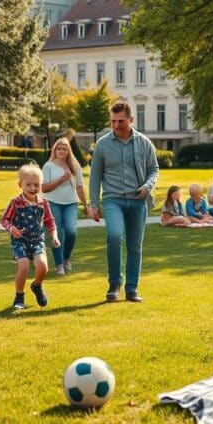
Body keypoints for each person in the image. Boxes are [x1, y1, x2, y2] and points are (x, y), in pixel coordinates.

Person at [88, 99, 159, 303]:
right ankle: (114, 284)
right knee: (115, 235)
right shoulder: (103, 144)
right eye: (113, 121)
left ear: (131, 119)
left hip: (138, 200)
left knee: (135, 246)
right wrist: (94, 204)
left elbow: (154, 169)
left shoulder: (144, 143)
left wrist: (147, 186)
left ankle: (132, 289)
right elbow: (95, 176)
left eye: (121, 121)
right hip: (113, 200)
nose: (116, 125)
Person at [0, 164, 58, 311]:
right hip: (20, 240)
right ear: (20, 185)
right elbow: (4, 219)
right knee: (24, 265)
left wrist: (54, 236)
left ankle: (36, 286)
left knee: (43, 267)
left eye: (36, 185)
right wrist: (12, 229)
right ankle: (19, 296)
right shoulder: (15, 203)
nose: (33, 188)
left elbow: (50, 221)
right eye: (29, 185)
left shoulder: (43, 203)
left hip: (37, 240)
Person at [41, 137, 87, 276]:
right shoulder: (48, 166)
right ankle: (59, 264)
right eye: (59, 148)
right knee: (57, 233)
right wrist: (60, 180)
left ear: (68, 151)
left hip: (70, 203)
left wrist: (85, 204)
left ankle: (66, 258)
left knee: (71, 231)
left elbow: (79, 186)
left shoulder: (74, 165)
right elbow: (44, 188)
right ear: (55, 150)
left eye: (64, 148)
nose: (61, 151)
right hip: (52, 203)